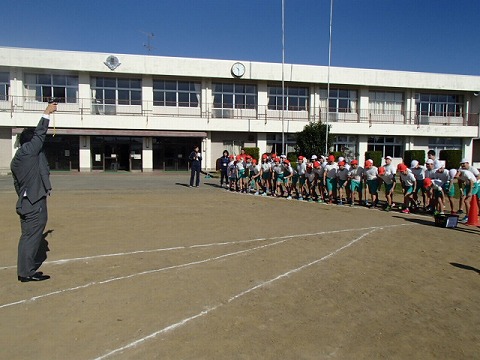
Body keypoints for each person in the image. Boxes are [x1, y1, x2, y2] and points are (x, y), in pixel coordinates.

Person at [11, 102, 57, 282]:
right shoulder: (29, 151)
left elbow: (17, 185)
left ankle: (25, 270)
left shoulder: (16, 160)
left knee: (27, 236)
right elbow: (39, 135)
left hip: (24, 202)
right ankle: (27, 272)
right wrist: (47, 112)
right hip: (33, 202)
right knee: (31, 236)